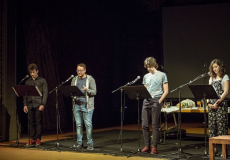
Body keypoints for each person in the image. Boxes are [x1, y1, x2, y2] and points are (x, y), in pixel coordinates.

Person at [141, 57, 168, 154]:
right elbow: (144, 89)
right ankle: (147, 145)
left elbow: (166, 90)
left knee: (155, 124)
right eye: (147, 67)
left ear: (154, 65)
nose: (148, 68)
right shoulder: (145, 76)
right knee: (144, 124)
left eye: (150, 66)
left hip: (157, 99)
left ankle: (154, 147)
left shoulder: (162, 75)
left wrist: (160, 101)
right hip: (146, 100)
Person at [71, 63, 96, 150]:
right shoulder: (74, 79)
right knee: (78, 125)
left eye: (81, 70)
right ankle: (79, 143)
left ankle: (90, 144)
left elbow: (94, 92)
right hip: (76, 105)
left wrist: (87, 90)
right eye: (78, 70)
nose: (79, 72)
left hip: (86, 105)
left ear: (85, 70)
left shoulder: (90, 79)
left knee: (88, 125)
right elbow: (72, 91)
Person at [207, 59, 229, 153]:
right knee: (212, 128)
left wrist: (217, 103)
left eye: (216, 67)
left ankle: (224, 151)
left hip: (221, 106)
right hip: (211, 106)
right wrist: (208, 103)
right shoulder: (211, 78)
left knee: (222, 128)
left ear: (220, 66)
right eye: (213, 67)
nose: (215, 69)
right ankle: (213, 150)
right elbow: (208, 92)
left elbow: (226, 92)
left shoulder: (225, 77)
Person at [23, 63, 48, 146]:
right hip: (30, 104)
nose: (32, 74)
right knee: (31, 122)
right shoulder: (27, 82)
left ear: (37, 71)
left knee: (38, 122)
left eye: (33, 72)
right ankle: (32, 138)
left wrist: (43, 104)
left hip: (38, 104)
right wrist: (25, 105)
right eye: (31, 73)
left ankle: (38, 139)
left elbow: (45, 93)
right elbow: (25, 94)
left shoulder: (42, 81)